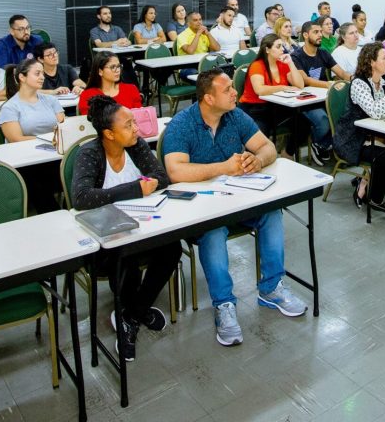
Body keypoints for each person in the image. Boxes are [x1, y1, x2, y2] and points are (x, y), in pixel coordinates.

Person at [163, 69, 308, 347]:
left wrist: (258, 161)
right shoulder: (182, 124)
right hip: (203, 207)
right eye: (228, 89)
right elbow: (175, 171)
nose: (235, 93)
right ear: (208, 98)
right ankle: (224, 304)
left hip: (239, 199)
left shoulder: (234, 115)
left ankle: (271, 288)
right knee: (214, 232)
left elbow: (266, 147)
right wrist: (224, 168)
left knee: (270, 212)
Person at [72, 96, 181, 361]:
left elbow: (161, 176)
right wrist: (134, 189)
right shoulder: (90, 153)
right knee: (126, 255)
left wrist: (148, 184)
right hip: (103, 236)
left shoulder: (136, 146)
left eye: (134, 122)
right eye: (128, 125)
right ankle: (133, 314)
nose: (137, 129)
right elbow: (82, 197)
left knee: (173, 247)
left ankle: (131, 314)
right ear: (109, 134)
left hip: (142, 224)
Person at [334, 42, 385, 210]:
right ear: (372, 62)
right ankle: (374, 197)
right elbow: (375, 112)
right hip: (354, 139)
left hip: (379, 135)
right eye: (384, 58)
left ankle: (367, 181)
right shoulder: (359, 83)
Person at [238, 33, 306, 159]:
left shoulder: (282, 64)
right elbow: (259, 90)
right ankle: (251, 163)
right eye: (278, 46)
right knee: (258, 138)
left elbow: (300, 84)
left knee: (303, 122)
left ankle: (288, 153)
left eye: (282, 46)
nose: (282, 49)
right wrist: (283, 87)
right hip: (253, 109)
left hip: (274, 106)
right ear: (267, 49)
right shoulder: (257, 65)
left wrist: (290, 63)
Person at [292, 21, 351, 165]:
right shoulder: (296, 56)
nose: (320, 35)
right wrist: (329, 84)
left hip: (324, 97)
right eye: (316, 32)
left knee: (346, 114)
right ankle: (319, 144)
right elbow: (306, 80)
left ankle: (330, 144)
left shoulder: (323, 53)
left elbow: (341, 72)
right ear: (305, 35)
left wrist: (354, 79)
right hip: (306, 101)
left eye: (320, 32)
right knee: (323, 121)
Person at [0, 60, 66, 142]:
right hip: (24, 151)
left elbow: (64, 129)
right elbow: (16, 139)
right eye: (37, 74)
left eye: (43, 74)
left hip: (55, 148)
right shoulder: (9, 107)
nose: (42, 77)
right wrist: (50, 139)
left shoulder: (52, 100)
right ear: (22, 77)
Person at [78, 52, 143, 115]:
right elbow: (88, 122)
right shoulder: (87, 96)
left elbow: (139, 117)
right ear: (100, 71)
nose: (117, 70)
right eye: (112, 67)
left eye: (118, 66)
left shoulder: (131, 89)